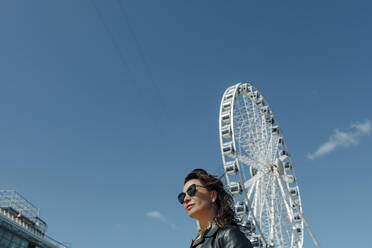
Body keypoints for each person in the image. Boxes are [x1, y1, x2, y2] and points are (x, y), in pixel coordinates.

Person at [178, 168, 253, 248]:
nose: (186, 199)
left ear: (212, 195)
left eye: (191, 190)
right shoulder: (195, 243)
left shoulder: (228, 234)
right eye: (182, 196)